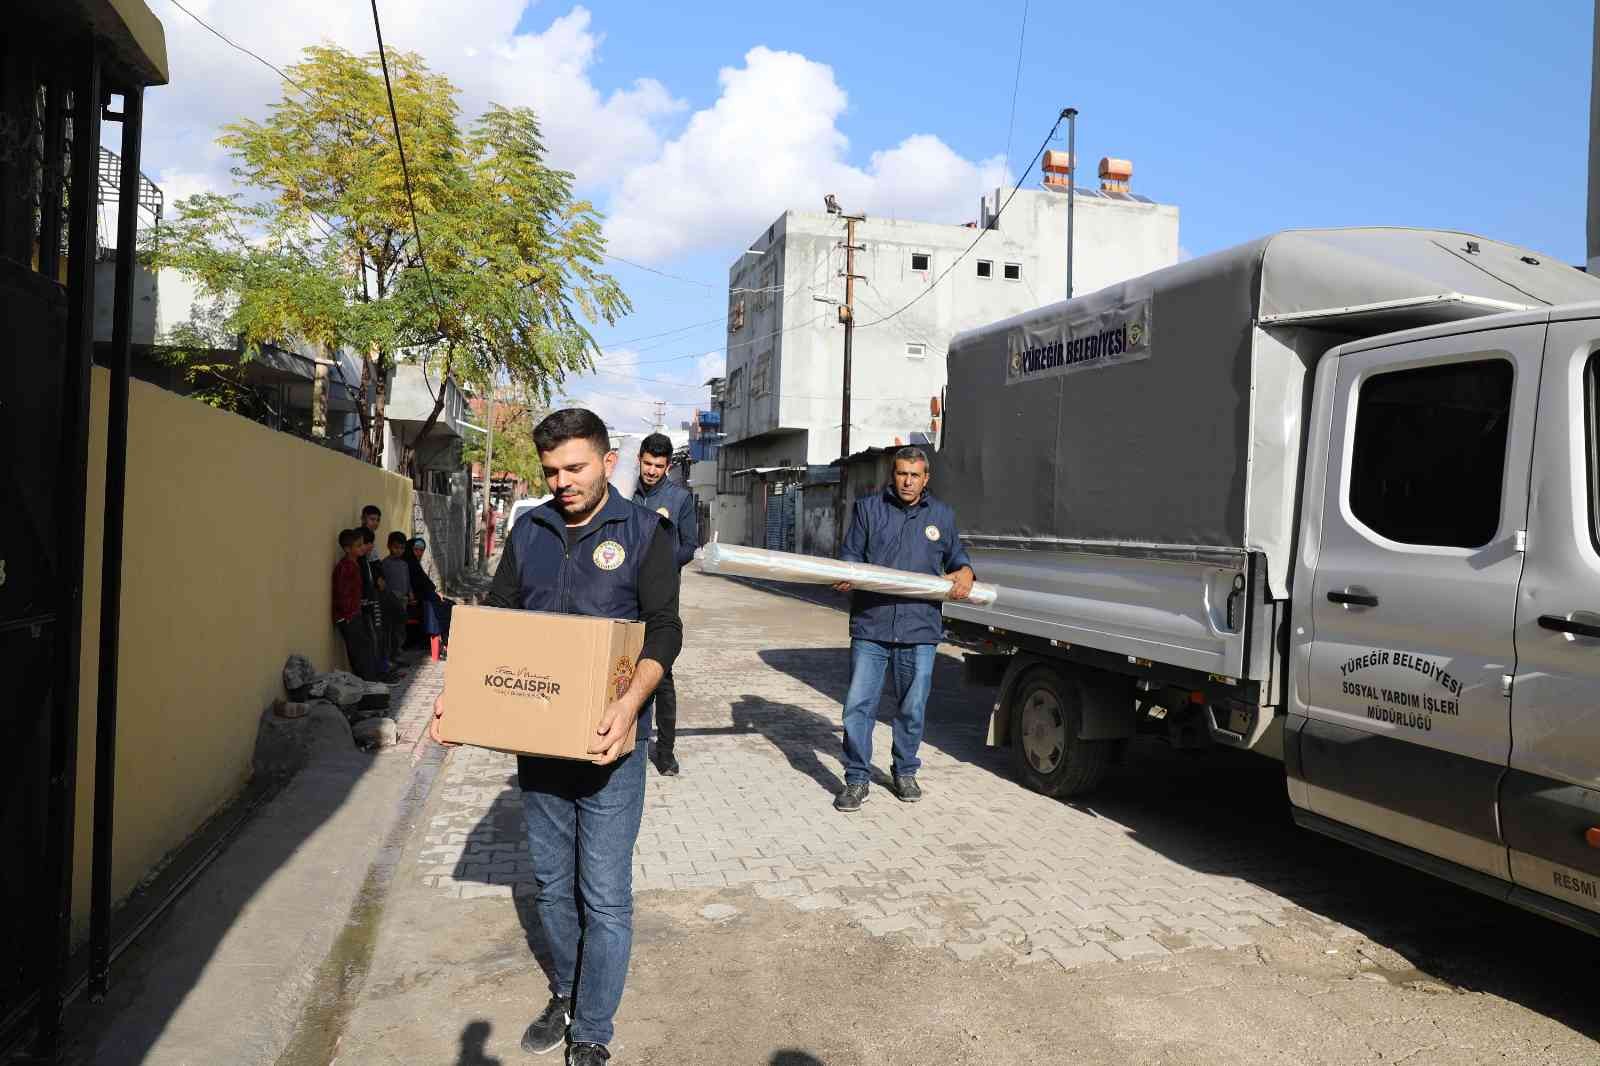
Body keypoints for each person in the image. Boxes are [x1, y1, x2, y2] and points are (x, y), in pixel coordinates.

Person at [431, 408, 681, 1066]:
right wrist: (461, 701)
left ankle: (594, 1027)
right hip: (539, 747)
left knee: (602, 892)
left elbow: (665, 629)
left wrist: (629, 706)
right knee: (549, 885)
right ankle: (569, 993)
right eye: (551, 471)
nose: (562, 481)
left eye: (574, 467)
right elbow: (502, 627)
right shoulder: (530, 531)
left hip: (609, 746)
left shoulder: (647, 533)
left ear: (606, 461)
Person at [831, 446, 974, 813]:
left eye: (915, 475)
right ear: (892, 476)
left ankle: (905, 771)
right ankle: (857, 779)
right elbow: (851, 554)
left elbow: (957, 559)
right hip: (872, 624)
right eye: (901, 473)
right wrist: (847, 574)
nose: (907, 481)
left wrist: (966, 572)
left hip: (920, 627)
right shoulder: (868, 509)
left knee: (912, 706)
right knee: (858, 707)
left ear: (926, 479)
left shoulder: (941, 515)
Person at [631, 432, 697, 777]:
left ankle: (665, 750)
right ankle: (624, 738)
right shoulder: (625, 492)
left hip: (661, 598)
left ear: (668, 466)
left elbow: (690, 545)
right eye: (647, 464)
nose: (652, 471)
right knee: (621, 667)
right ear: (639, 459)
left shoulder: (679, 498)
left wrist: (662, 563)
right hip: (624, 595)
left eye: (658, 466)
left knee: (662, 674)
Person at [333, 528, 381, 681]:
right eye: (358, 546)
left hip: (355, 613)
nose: (362, 548)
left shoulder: (355, 563)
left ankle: (369, 682)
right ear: (347, 549)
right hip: (348, 617)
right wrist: (347, 615)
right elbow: (342, 593)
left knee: (364, 649)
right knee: (358, 652)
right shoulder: (345, 566)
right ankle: (366, 684)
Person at [356, 527, 400, 680]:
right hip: (367, 605)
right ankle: (379, 671)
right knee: (374, 638)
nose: (368, 547)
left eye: (367, 544)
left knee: (380, 635)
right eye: (363, 544)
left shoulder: (368, 560)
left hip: (373, 601)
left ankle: (383, 666)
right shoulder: (358, 562)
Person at [408, 536, 450, 659]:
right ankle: (445, 644)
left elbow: (426, 584)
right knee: (444, 608)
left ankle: (446, 643)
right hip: (415, 603)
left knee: (449, 605)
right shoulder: (408, 564)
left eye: (422, 550)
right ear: (410, 549)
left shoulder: (415, 564)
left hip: (423, 599)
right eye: (416, 549)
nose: (419, 553)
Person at [380, 531, 413, 664]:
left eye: (402, 548)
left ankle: (398, 653)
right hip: (390, 601)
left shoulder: (404, 564)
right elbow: (383, 584)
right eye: (396, 547)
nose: (399, 551)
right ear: (389, 546)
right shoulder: (385, 564)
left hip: (403, 601)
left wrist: (410, 593)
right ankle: (389, 656)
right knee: (390, 629)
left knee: (400, 629)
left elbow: (407, 580)